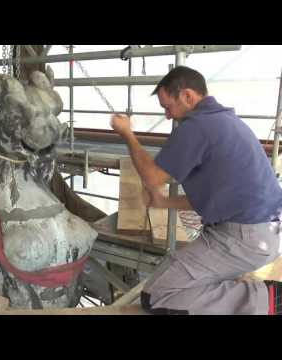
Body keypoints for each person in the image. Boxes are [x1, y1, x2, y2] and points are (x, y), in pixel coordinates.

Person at [110, 65, 282, 315]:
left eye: (168, 107)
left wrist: (127, 134)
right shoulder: (224, 121)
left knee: (157, 295)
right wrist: (163, 203)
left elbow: (152, 177)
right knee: (169, 279)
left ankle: (266, 301)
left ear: (188, 96)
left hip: (243, 238)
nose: (168, 116)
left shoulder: (198, 126)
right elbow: (215, 195)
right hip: (262, 232)